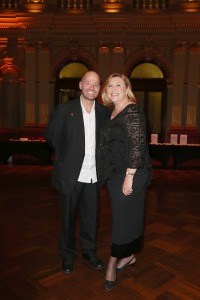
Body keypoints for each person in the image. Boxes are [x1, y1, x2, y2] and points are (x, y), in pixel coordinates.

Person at [45, 71, 108, 274]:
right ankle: (67, 255)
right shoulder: (65, 110)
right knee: (67, 220)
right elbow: (51, 137)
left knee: (91, 219)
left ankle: (89, 252)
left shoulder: (103, 112)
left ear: (100, 88)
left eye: (96, 84)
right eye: (88, 83)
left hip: (93, 176)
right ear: (80, 85)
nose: (92, 87)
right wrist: (67, 157)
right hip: (70, 176)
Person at [97, 73, 152, 290]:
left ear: (127, 88)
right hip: (115, 173)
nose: (113, 88)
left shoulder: (133, 111)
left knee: (121, 219)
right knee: (126, 216)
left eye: (118, 84)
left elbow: (138, 146)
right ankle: (128, 255)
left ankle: (113, 261)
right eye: (110, 85)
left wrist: (129, 177)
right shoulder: (112, 111)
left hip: (132, 173)